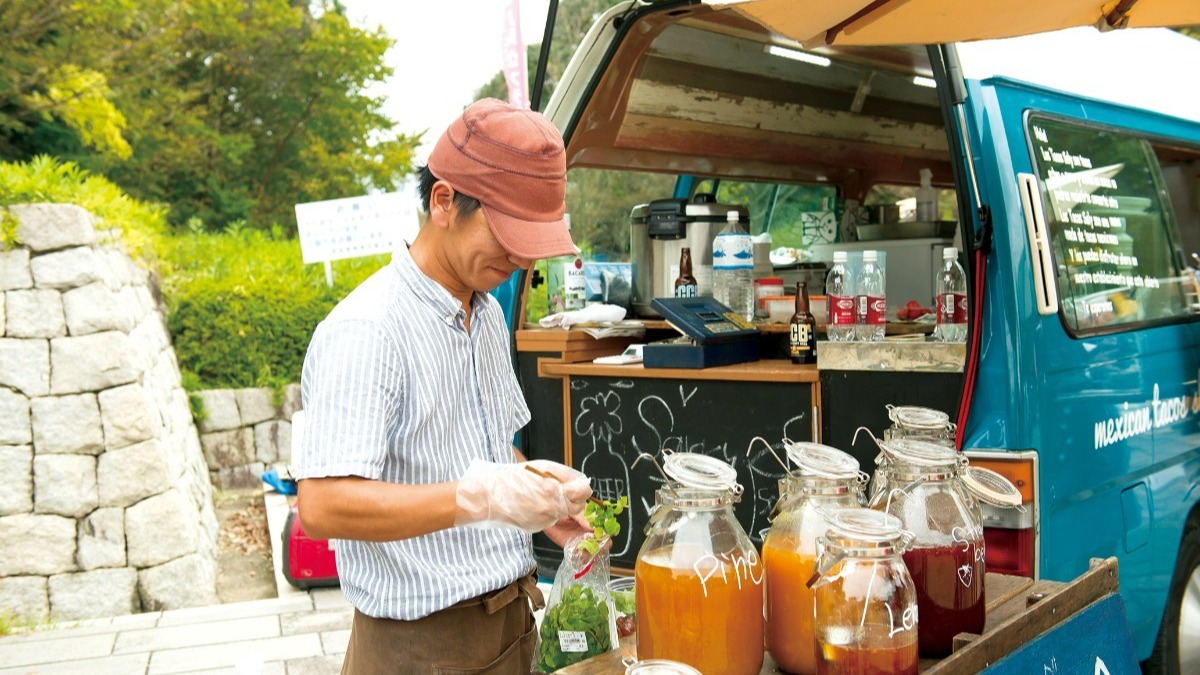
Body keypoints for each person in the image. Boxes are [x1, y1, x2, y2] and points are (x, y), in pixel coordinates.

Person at [294, 98, 594, 675]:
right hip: (422, 645)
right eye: (508, 232)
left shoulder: (481, 311)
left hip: (509, 620)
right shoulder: (368, 329)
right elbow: (324, 504)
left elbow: (484, 448)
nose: (519, 256)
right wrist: (483, 497)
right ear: (443, 202)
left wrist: (536, 499)